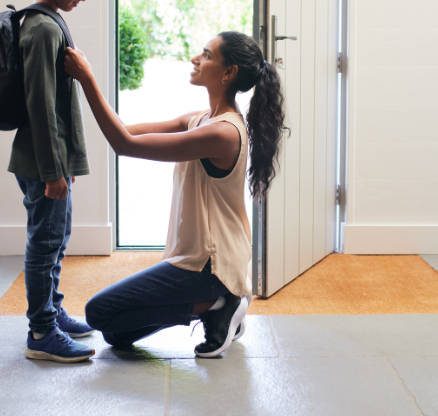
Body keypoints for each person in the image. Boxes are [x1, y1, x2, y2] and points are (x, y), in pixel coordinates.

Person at [64, 31, 287, 358]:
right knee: (115, 333)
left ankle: (218, 303)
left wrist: (87, 78)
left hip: (212, 266)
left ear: (229, 73)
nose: (196, 59)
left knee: (97, 312)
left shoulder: (223, 133)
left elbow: (124, 145)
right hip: (193, 260)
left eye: (206, 55)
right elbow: (124, 130)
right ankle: (212, 306)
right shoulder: (199, 120)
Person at [11, 0, 105, 363]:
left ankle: (52, 310)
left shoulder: (50, 22)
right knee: (44, 243)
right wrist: (52, 171)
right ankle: (41, 333)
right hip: (43, 162)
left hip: (54, 159)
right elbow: (40, 108)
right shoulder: (43, 28)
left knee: (56, 237)